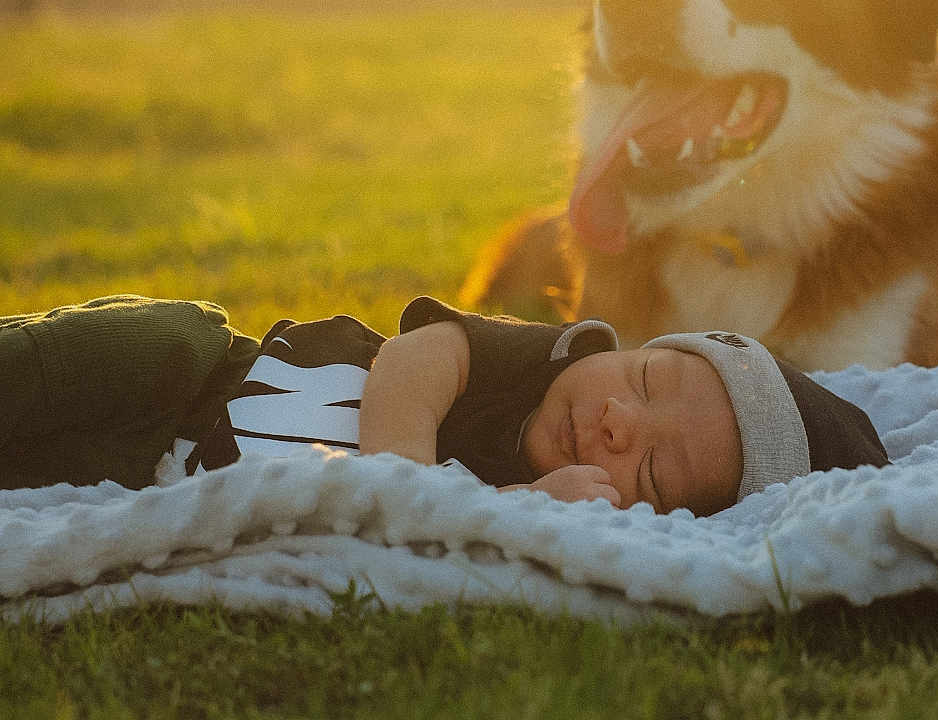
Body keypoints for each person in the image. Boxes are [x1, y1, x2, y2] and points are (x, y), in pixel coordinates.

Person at [1, 294, 888, 514]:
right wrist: (405, 486)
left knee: (31, 473)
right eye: (647, 381)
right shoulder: (543, 358)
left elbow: (486, 533)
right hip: (195, 373)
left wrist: (519, 509)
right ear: (624, 346)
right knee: (76, 360)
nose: (620, 420)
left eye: (651, 468)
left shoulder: (530, 506)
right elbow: (420, 356)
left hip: (147, 473)